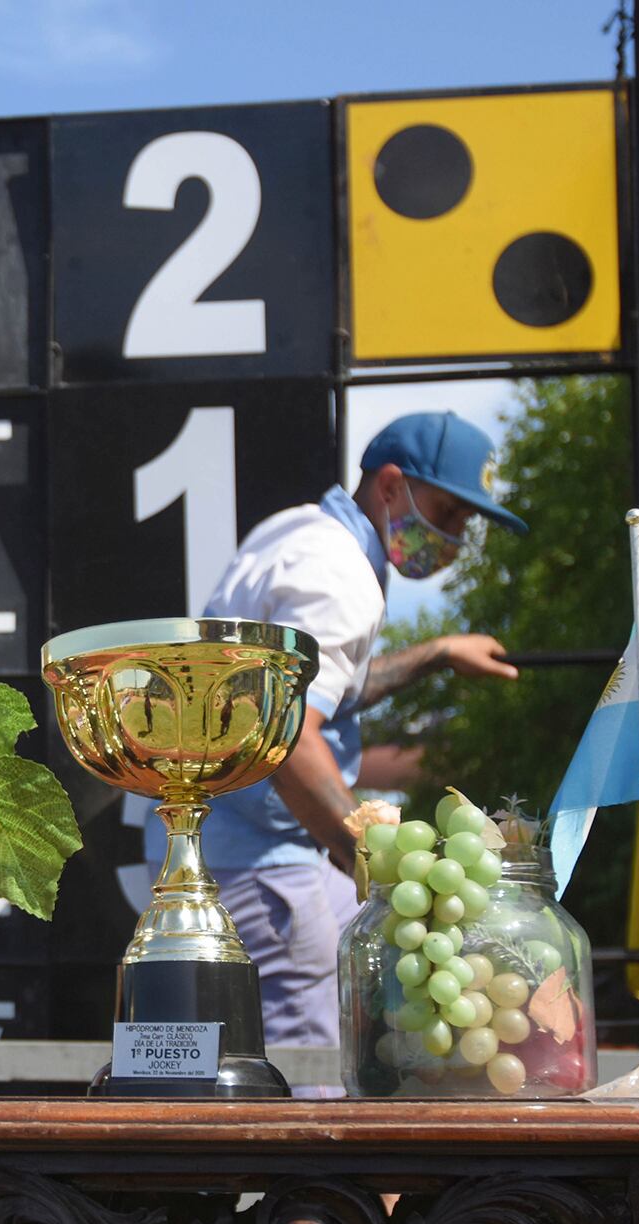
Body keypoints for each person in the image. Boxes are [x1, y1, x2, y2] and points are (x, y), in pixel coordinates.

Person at [196, 411, 528, 1063]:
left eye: (466, 524)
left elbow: (322, 691)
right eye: (448, 512)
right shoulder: (340, 574)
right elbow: (288, 738)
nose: (455, 538)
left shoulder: (302, 532)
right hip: (260, 861)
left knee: (359, 1003)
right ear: (391, 486)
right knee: (310, 1073)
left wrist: (434, 653)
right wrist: (378, 864)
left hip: (239, 842)